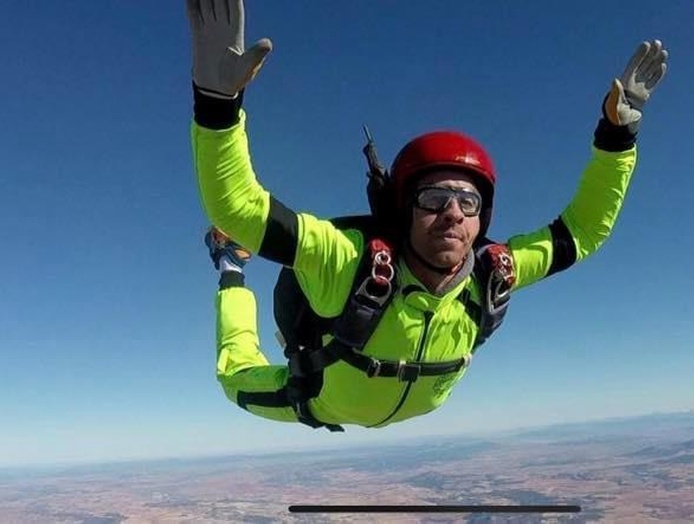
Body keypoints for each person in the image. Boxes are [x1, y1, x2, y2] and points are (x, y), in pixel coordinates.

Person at [186, 0, 668, 431]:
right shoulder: (347, 262)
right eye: (434, 199)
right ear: (404, 209)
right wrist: (217, 105)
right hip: (321, 401)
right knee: (235, 380)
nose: (453, 214)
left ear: (483, 219)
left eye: (469, 202)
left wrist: (616, 136)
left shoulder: (494, 272)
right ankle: (231, 265)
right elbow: (240, 207)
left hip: (402, 400)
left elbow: (583, 232)